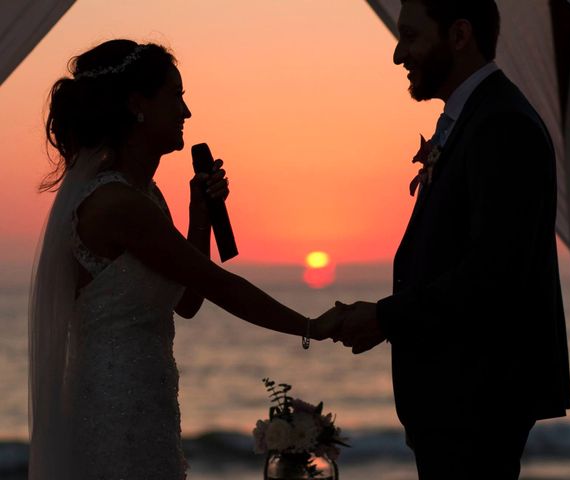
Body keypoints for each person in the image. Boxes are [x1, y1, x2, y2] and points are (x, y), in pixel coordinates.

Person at [28, 39, 340, 480]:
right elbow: (218, 285)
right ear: (138, 105)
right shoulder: (116, 203)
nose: (186, 112)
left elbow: (187, 302)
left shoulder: (145, 196)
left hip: (148, 403)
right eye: (176, 96)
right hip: (116, 409)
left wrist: (199, 216)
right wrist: (310, 326)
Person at [330, 1, 570, 478]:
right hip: (456, 400)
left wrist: (384, 317)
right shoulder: (475, 118)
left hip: (478, 398)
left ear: (459, 35)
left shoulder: (503, 124)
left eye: (412, 36)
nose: (399, 55)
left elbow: (493, 275)